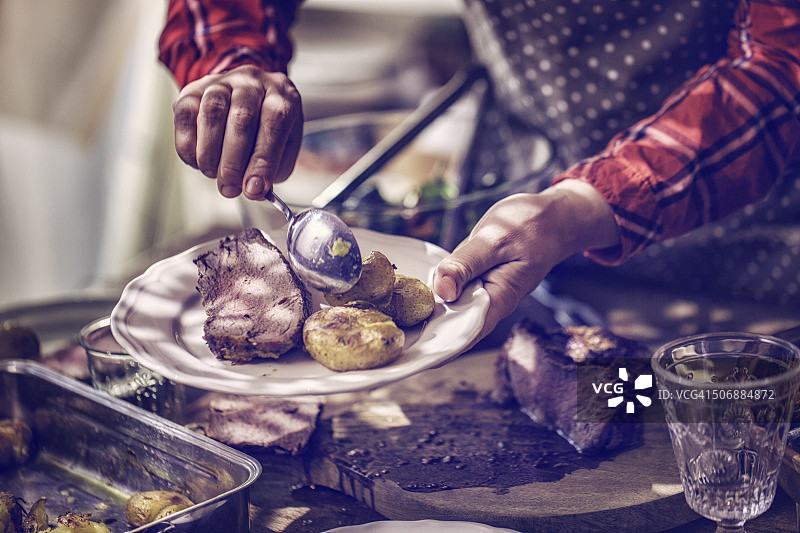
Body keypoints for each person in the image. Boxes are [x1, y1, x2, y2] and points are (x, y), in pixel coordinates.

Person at [158, 0, 800, 343]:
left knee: (715, 440)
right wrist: (232, 63)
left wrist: (588, 203)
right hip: (515, 216)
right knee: (558, 407)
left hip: (745, 238)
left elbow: (780, 64)